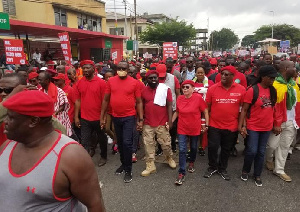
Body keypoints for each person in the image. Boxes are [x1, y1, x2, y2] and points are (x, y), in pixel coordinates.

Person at [0, 90, 106, 211]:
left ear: (33, 121)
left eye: (11, 117)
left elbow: (95, 205)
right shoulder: (6, 147)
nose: (5, 122)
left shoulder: (71, 157)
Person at [100, 61, 143, 183]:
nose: (121, 70)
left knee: (127, 143)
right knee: (119, 142)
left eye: (123, 68)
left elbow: (139, 102)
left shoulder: (135, 83)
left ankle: (128, 169)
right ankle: (123, 164)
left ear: (128, 69)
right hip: (115, 116)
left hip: (129, 117)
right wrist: (102, 116)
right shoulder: (111, 81)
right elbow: (105, 100)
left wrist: (141, 119)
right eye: (119, 68)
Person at [204, 66, 246, 181]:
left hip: (231, 126)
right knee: (212, 147)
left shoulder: (241, 89)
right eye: (222, 73)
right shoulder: (212, 89)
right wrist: (206, 122)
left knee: (226, 149)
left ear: (233, 76)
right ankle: (212, 166)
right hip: (214, 124)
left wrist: (242, 126)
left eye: (227, 74)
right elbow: (207, 108)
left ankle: (222, 168)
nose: (223, 76)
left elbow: (244, 109)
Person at [238, 65, 278, 186]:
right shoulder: (252, 90)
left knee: (261, 152)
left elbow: (274, 109)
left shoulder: (273, 90)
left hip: (267, 127)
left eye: (273, 78)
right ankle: (245, 170)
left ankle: (257, 174)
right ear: (263, 77)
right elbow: (244, 110)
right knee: (252, 151)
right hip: (253, 126)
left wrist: (275, 123)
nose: (272, 80)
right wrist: (241, 126)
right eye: (270, 78)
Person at [265, 60, 300, 182]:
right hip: (277, 122)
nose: (295, 69)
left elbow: (297, 104)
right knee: (272, 145)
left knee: (284, 146)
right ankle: (269, 159)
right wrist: (276, 123)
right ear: (285, 68)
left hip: (291, 121)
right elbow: (273, 107)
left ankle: (279, 169)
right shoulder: (274, 85)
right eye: (293, 67)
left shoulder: (293, 85)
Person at [141, 70, 176, 177]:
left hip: (162, 122)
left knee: (166, 145)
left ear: (158, 78)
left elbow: (170, 106)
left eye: (155, 78)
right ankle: (150, 165)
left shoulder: (165, 89)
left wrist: (170, 121)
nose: (153, 80)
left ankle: (169, 158)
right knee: (148, 145)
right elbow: (141, 106)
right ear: (147, 79)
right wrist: (140, 120)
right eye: (150, 78)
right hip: (147, 123)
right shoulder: (143, 90)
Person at [172, 80, 209, 185]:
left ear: (193, 88)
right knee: (182, 149)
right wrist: (171, 122)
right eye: (183, 87)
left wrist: (206, 124)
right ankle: (181, 173)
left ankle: (192, 162)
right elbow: (177, 112)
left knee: (193, 147)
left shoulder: (198, 98)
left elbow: (205, 111)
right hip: (182, 128)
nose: (185, 89)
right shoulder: (180, 98)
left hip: (194, 127)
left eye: (187, 87)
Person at [74, 60, 108, 166]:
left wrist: (103, 117)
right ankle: (86, 158)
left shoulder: (101, 83)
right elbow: (78, 100)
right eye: (84, 68)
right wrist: (76, 117)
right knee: (84, 140)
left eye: (88, 68)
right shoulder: (79, 82)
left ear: (94, 69)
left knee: (101, 138)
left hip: (98, 117)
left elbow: (105, 101)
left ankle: (103, 156)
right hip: (85, 118)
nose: (85, 70)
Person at [157, 64, 180, 154]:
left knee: (172, 128)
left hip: (173, 107)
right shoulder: (155, 78)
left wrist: (177, 105)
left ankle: (173, 145)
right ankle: (160, 148)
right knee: (159, 129)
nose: (161, 78)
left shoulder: (173, 78)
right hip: (160, 108)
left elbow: (178, 93)